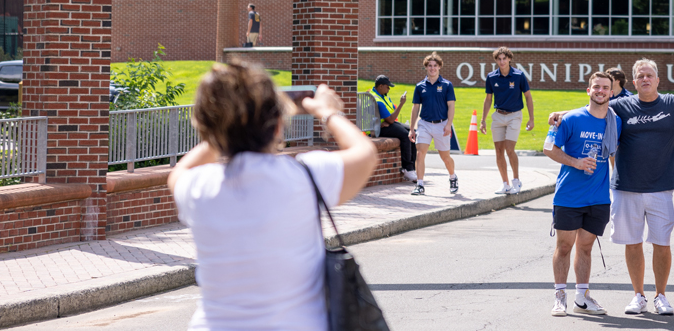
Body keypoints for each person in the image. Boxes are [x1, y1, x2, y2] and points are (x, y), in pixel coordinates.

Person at [167, 62, 378, 331]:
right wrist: (327, 112)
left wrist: (225, 123)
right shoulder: (305, 176)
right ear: (278, 126)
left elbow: (179, 171)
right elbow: (366, 152)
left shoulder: (196, 187)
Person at [548, 59, 674, 316]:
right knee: (633, 243)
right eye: (640, 76)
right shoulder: (622, 105)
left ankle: (661, 296)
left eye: (649, 75)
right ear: (633, 82)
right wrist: (562, 113)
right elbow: (594, 104)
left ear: (657, 80)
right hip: (625, 186)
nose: (645, 79)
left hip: (661, 187)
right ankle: (638, 295)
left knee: (661, 243)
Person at [545, 72, 620, 317]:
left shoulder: (615, 121)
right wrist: (576, 162)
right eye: (596, 87)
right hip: (568, 196)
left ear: (611, 92)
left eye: (605, 88)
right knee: (565, 246)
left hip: (598, 198)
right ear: (588, 90)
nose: (600, 91)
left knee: (585, 248)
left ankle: (582, 297)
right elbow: (549, 148)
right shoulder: (571, 119)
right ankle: (559, 295)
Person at [481, 46, 535, 195]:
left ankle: (516, 181)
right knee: (499, 152)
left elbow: (528, 97)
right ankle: (505, 184)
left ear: (509, 59)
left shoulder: (518, 76)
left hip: (514, 115)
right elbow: (488, 100)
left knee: (509, 149)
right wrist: (483, 120)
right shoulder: (491, 77)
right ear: (496, 60)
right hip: (498, 116)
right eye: (499, 59)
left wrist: (531, 119)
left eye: (504, 58)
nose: (502, 61)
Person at [408, 52, 458, 195]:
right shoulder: (420, 86)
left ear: (439, 67)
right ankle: (420, 185)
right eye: (430, 66)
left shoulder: (447, 85)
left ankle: (453, 177)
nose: (432, 68)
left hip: (441, 125)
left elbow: (451, 106)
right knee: (420, 153)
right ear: (426, 67)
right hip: (424, 124)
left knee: (445, 157)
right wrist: (412, 128)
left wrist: (448, 125)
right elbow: (415, 107)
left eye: (435, 66)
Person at [369, 75, 417, 182]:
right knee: (405, 135)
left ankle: (412, 168)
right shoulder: (377, 99)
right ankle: (407, 168)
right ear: (380, 86)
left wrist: (388, 120)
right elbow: (391, 118)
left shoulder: (383, 95)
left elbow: (391, 115)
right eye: (387, 87)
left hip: (386, 124)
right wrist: (401, 104)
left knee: (413, 132)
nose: (389, 89)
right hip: (377, 129)